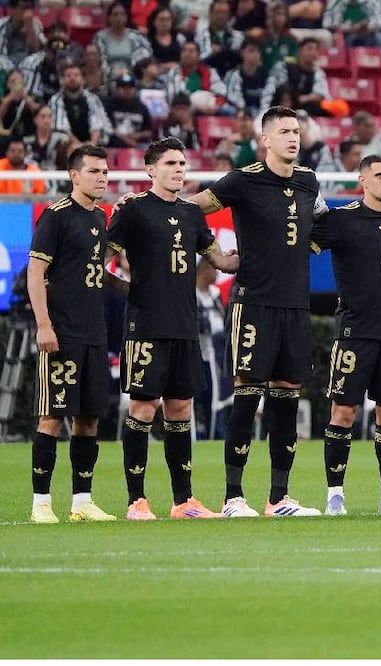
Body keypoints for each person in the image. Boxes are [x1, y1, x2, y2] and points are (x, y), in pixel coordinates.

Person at [194, 105, 325, 517]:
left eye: (297, 131)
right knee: (247, 398)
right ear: (265, 139)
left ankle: (278, 498)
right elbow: (188, 210)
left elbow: (325, 224)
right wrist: (214, 255)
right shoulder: (243, 180)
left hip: (295, 307)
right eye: (284, 131)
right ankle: (233, 497)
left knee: (286, 400)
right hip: (253, 304)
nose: (293, 137)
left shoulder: (308, 181)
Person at [105, 138, 239, 520]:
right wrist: (133, 293)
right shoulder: (132, 210)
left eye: (183, 163)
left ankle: (184, 502)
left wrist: (263, 253)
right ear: (151, 170)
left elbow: (222, 261)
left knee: (180, 408)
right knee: (144, 407)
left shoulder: (192, 213)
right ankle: (136, 501)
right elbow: (99, 264)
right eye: (171, 163)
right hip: (145, 326)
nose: (180, 169)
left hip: (184, 326)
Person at [311, 155, 381, 516]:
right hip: (354, 333)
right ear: (362, 180)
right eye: (380, 175)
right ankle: (334, 496)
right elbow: (297, 242)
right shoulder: (340, 220)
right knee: (343, 412)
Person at [27, 145, 118, 524]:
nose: (102, 178)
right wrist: (44, 325)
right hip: (62, 332)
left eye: (105, 172)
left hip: (94, 333)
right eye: (94, 171)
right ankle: (41, 504)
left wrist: (131, 287)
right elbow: (36, 273)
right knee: (51, 416)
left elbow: (93, 271)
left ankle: (82, 501)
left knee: (89, 419)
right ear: (75, 175)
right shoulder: (56, 216)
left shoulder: (100, 217)